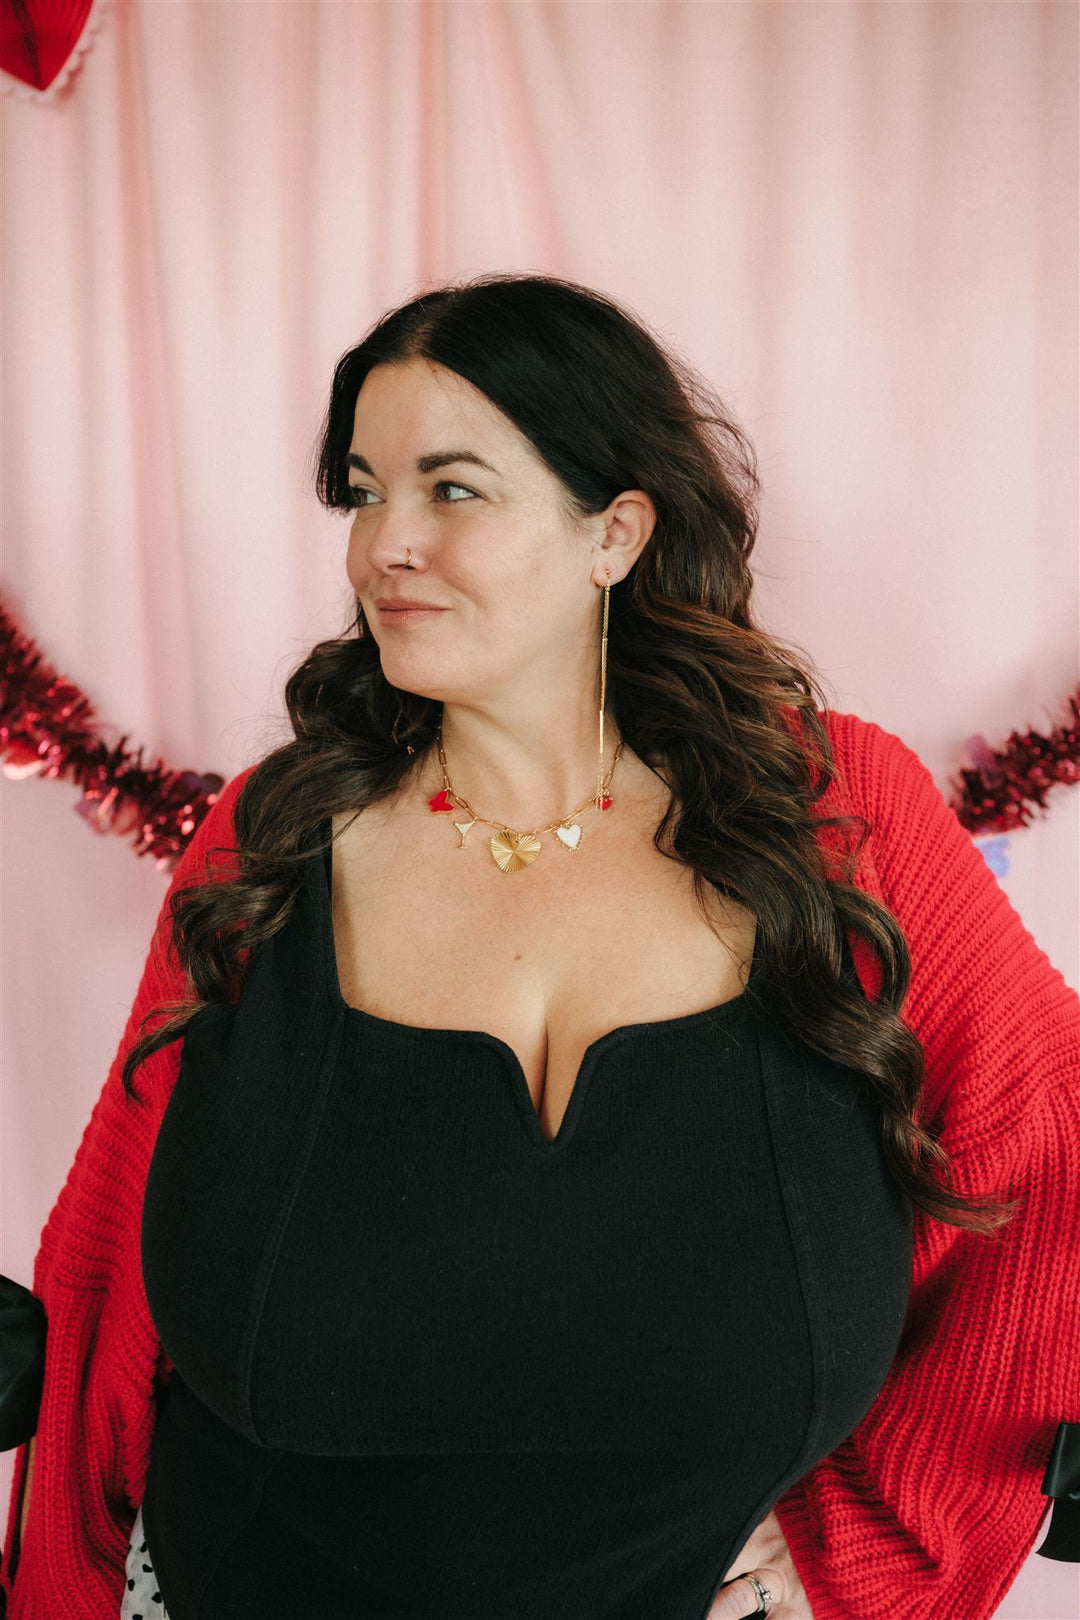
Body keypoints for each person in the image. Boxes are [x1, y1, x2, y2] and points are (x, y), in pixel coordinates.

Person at [2, 272, 1078, 1620]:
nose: (383, 546)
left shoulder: (841, 818)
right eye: (363, 492)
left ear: (615, 533)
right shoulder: (272, 839)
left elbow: (1052, 1159)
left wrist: (871, 1537)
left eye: (452, 489)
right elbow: (107, 1275)